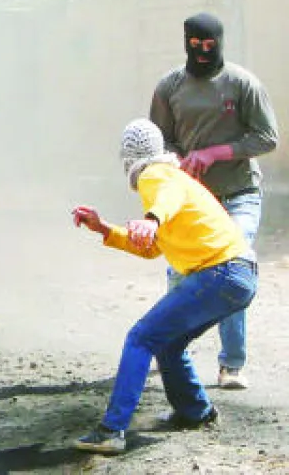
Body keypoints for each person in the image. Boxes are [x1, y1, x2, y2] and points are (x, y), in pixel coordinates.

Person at [70, 119, 257, 455]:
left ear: (129, 157)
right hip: (239, 275)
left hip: (221, 271)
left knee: (141, 337)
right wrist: (105, 229)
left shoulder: (155, 175)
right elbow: (152, 248)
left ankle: (111, 431)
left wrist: (152, 218)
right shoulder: (173, 176)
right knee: (167, 344)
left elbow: (165, 201)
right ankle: (195, 411)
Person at [148, 11, 278, 390]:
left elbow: (267, 137)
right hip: (190, 198)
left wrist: (215, 153)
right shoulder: (169, 86)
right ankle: (169, 349)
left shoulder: (242, 84)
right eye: (195, 45)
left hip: (239, 193)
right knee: (179, 273)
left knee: (231, 266)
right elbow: (159, 140)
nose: (203, 52)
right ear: (185, 43)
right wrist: (177, 161)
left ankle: (231, 365)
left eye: (210, 45)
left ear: (220, 43)